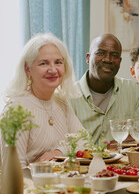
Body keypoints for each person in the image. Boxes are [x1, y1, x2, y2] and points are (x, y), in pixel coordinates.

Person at [0, 33, 85, 168]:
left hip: (59, 183)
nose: (53, 70)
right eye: (43, 63)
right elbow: (14, 169)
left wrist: (58, 152)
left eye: (58, 62)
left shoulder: (61, 103)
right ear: (28, 69)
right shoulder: (16, 110)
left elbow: (85, 142)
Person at [69, 34, 139, 144]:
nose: (108, 59)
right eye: (100, 53)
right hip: (81, 161)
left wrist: (120, 142)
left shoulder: (132, 90)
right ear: (88, 58)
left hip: (124, 160)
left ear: (119, 62)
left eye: (114, 55)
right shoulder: (68, 95)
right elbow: (59, 140)